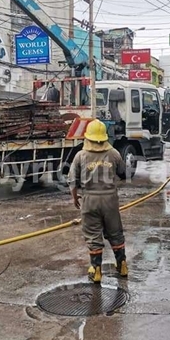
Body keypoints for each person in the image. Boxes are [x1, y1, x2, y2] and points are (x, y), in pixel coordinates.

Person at [67, 119, 128, 283]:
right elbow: (123, 173)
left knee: (93, 235)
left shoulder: (80, 156)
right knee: (115, 233)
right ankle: (122, 265)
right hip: (110, 199)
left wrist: (75, 198)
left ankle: (96, 270)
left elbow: (72, 181)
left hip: (89, 199)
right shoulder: (114, 153)